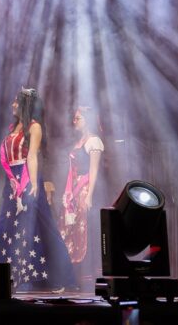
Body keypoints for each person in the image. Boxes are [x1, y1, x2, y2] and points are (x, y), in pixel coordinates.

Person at [0, 88, 75, 291]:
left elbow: (32, 156)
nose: (12, 105)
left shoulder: (34, 127)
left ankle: (50, 277)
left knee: (36, 226)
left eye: (15, 102)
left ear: (24, 104)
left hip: (27, 177)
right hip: (11, 182)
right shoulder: (13, 127)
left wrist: (35, 184)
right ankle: (5, 276)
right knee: (5, 228)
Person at [59, 105, 105, 284]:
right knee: (71, 230)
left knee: (85, 231)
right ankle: (74, 276)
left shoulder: (94, 141)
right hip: (75, 189)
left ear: (87, 120)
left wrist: (89, 195)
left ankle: (88, 276)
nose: (74, 121)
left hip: (86, 189)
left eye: (77, 118)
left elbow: (94, 171)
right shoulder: (80, 141)